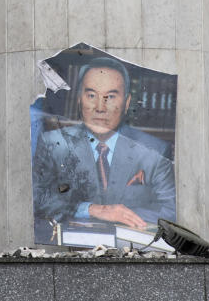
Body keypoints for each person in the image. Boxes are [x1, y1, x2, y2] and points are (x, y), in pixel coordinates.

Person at [33, 56, 176, 229]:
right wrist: (92, 210)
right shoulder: (53, 143)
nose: (100, 107)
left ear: (127, 102)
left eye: (110, 96)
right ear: (79, 99)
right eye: (92, 95)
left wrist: (120, 214)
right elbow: (36, 198)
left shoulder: (154, 151)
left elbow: (171, 210)